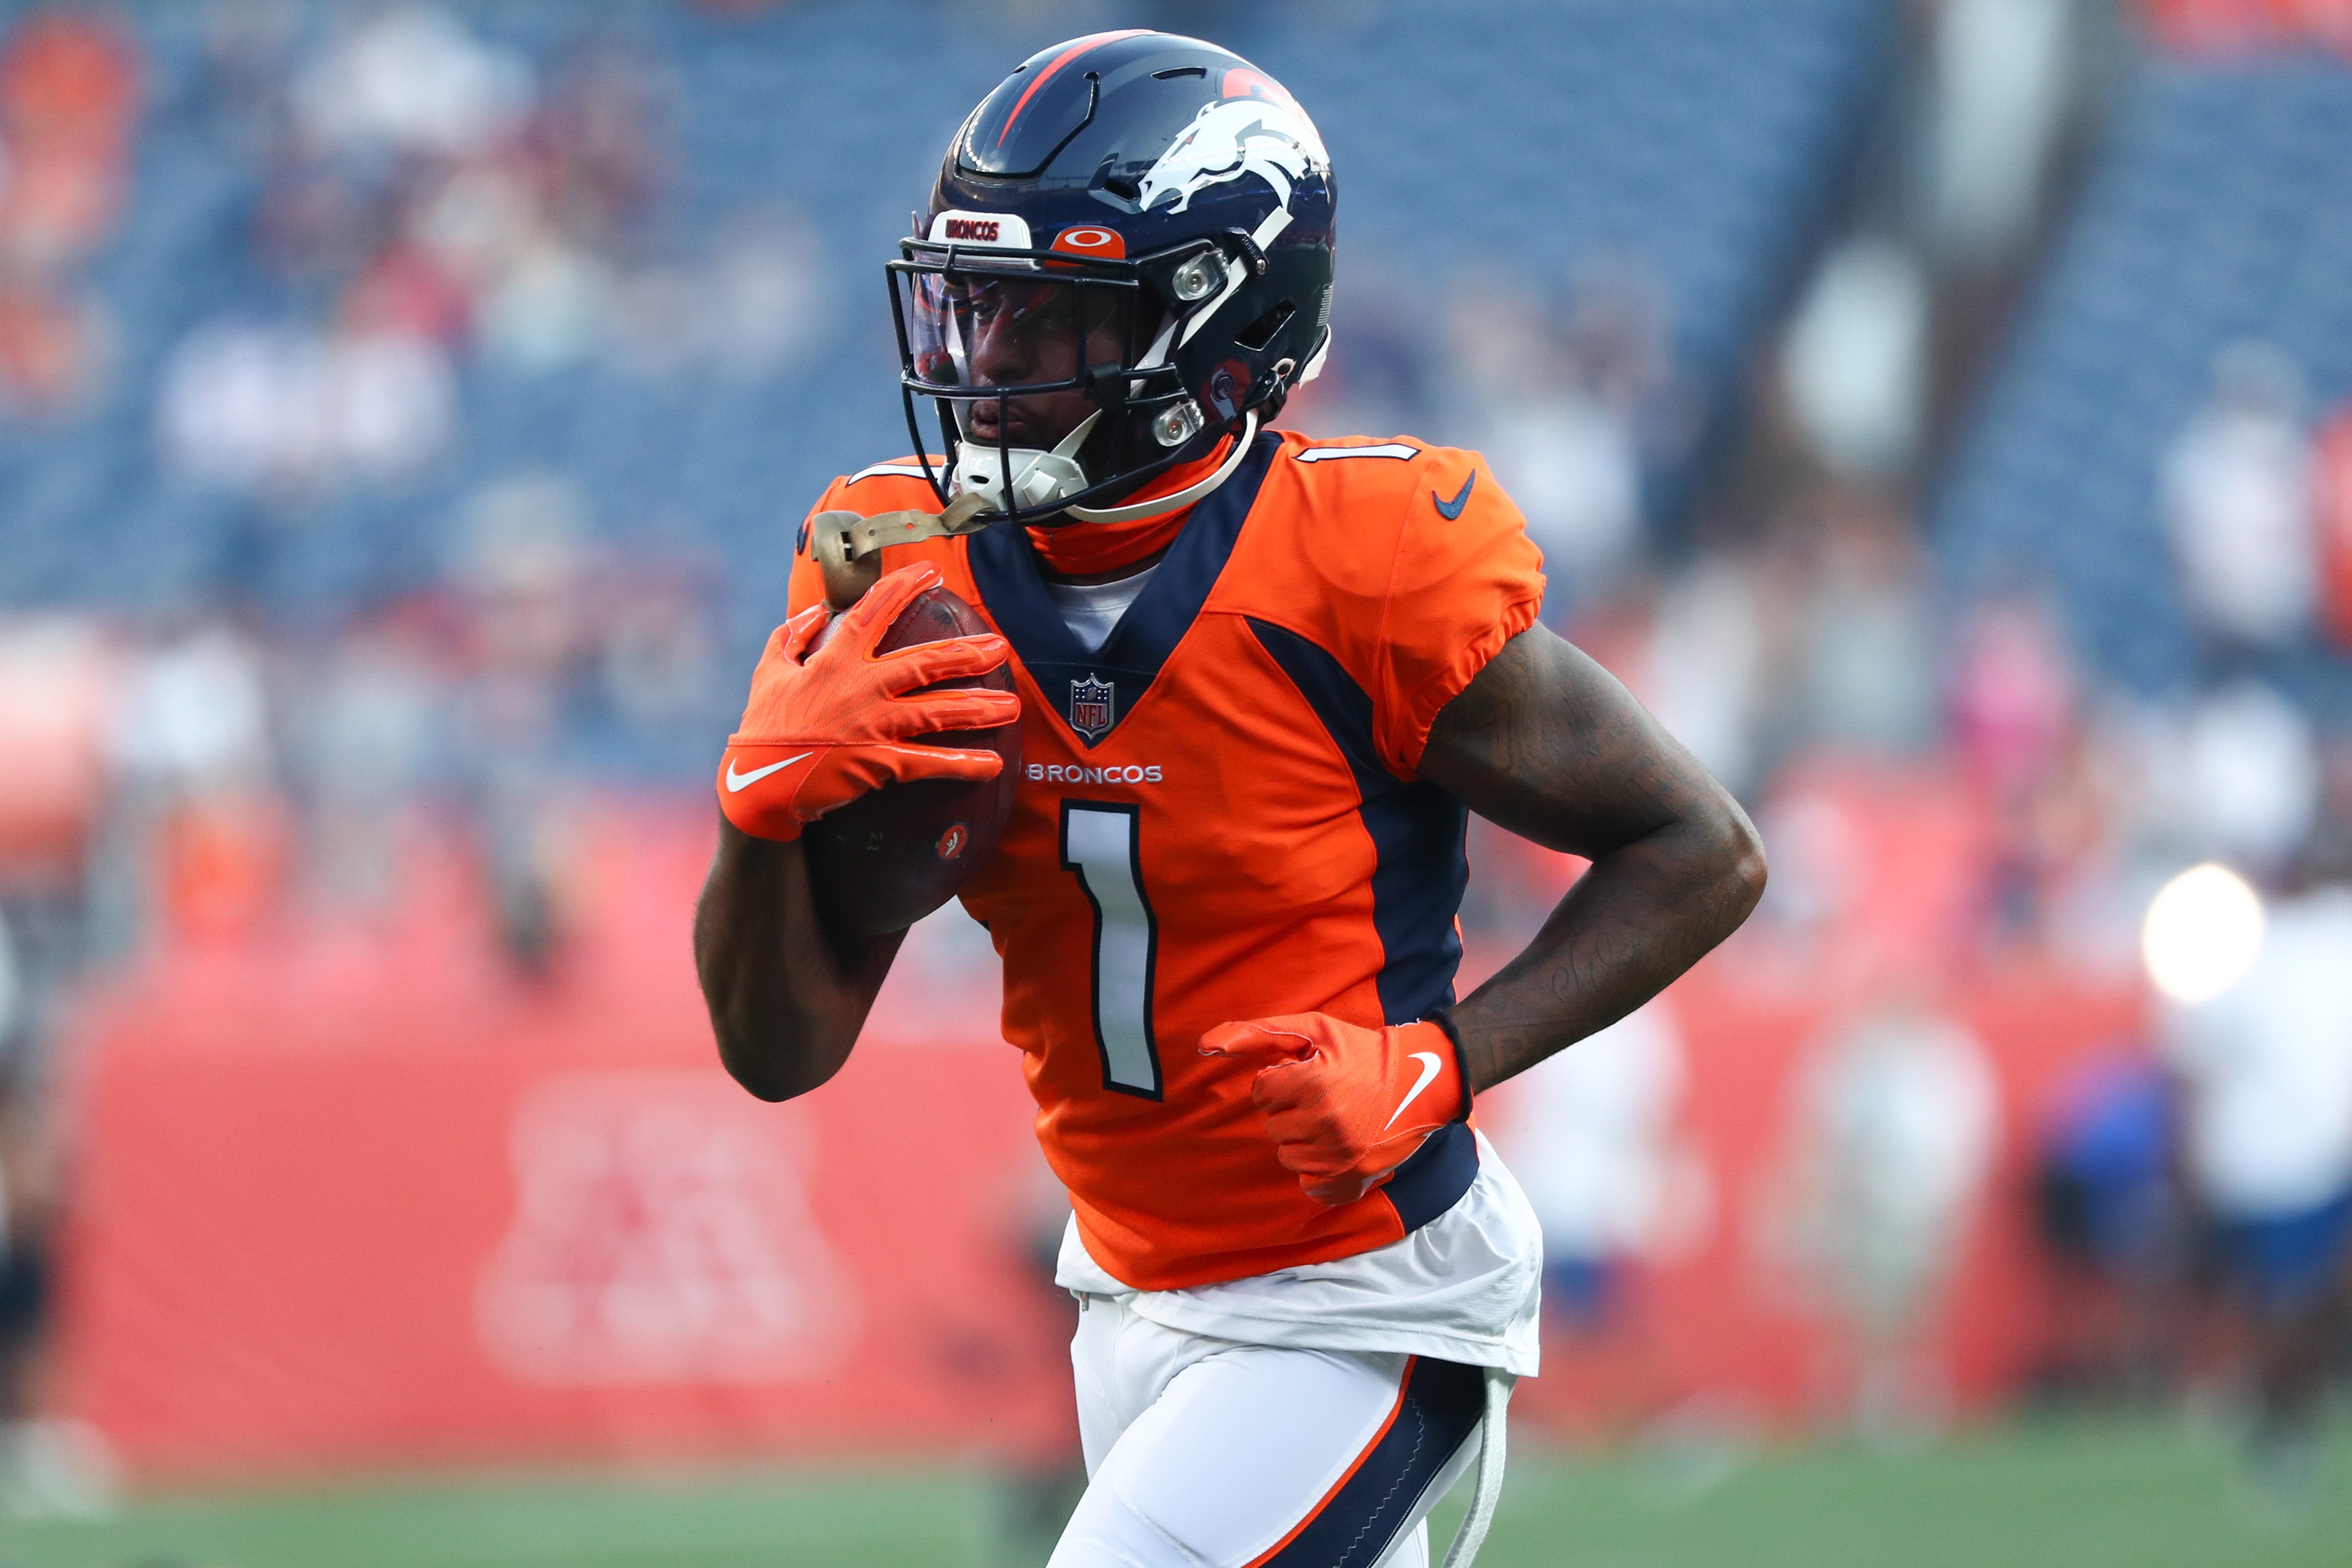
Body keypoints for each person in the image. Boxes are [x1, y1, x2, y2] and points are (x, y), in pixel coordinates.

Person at [694, 34, 1764, 1567]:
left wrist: (1442, 1064)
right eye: (977, 306)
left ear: (1225, 337)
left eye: (1054, 319)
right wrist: (759, 804)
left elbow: (1702, 848)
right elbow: (779, 1051)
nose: (986, 365)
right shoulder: (896, 573)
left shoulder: (1367, 560)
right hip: (1125, 1287)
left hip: (1364, 1288)